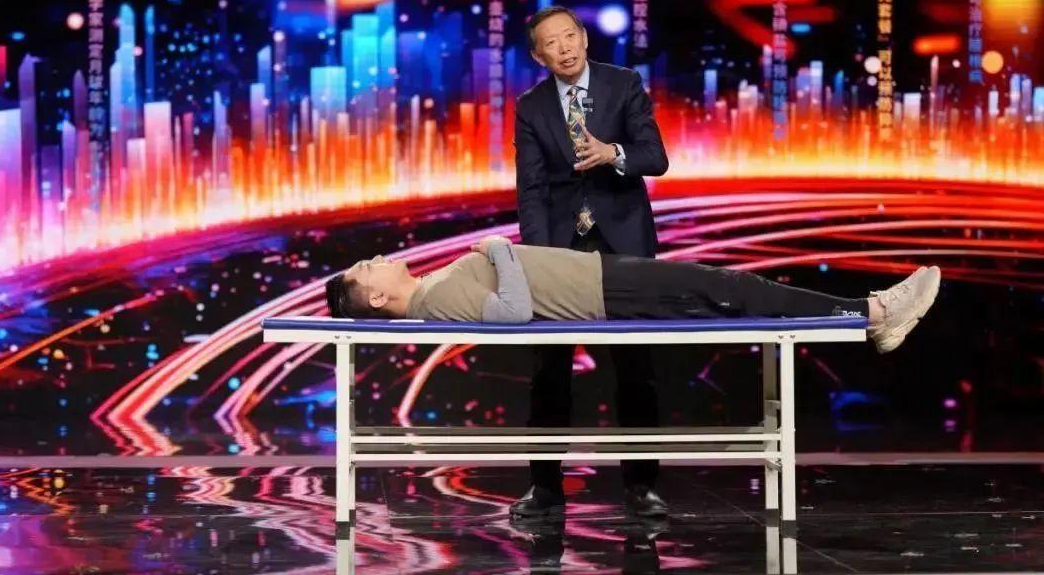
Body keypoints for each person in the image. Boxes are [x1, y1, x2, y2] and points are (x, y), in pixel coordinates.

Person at [325, 237, 943, 518]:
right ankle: (872, 314)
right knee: (735, 290)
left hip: (600, 279)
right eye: (365, 269)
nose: (374, 259)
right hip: (603, 293)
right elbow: (512, 314)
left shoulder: (432, 287)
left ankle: (868, 316)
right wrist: (500, 250)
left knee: (733, 290)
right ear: (376, 299)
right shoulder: (434, 302)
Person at [514, 5, 669, 520]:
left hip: (622, 244)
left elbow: (655, 157)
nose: (563, 48)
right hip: (561, 248)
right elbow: (531, 189)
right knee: (549, 371)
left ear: (583, 37)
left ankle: (642, 487)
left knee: (636, 370)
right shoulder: (531, 107)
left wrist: (614, 154)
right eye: (550, 43)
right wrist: (540, 259)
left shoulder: (623, 84)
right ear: (538, 56)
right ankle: (544, 487)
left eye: (569, 36)